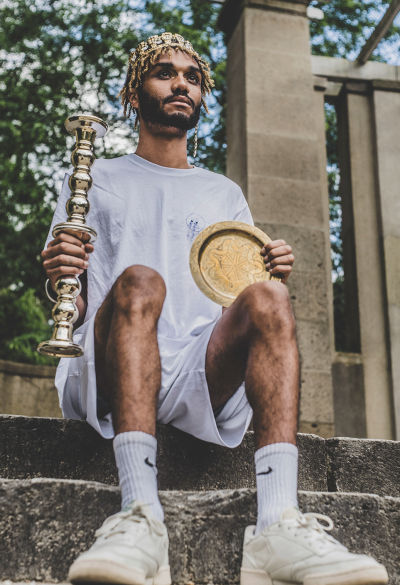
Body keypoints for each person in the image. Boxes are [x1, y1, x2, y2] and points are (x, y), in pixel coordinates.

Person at [41, 32, 388, 585]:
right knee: (140, 281)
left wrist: (262, 281)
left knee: (271, 297)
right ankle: (140, 515)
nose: (181, 84)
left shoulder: (222, 193)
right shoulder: (96, 179)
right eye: (164, 73)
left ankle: (278, 523)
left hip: (199, 370)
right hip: (115, 361)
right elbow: (75, 306)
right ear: (134, 92)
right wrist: (60, 277)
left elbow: (233, 297)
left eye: (193, 77)